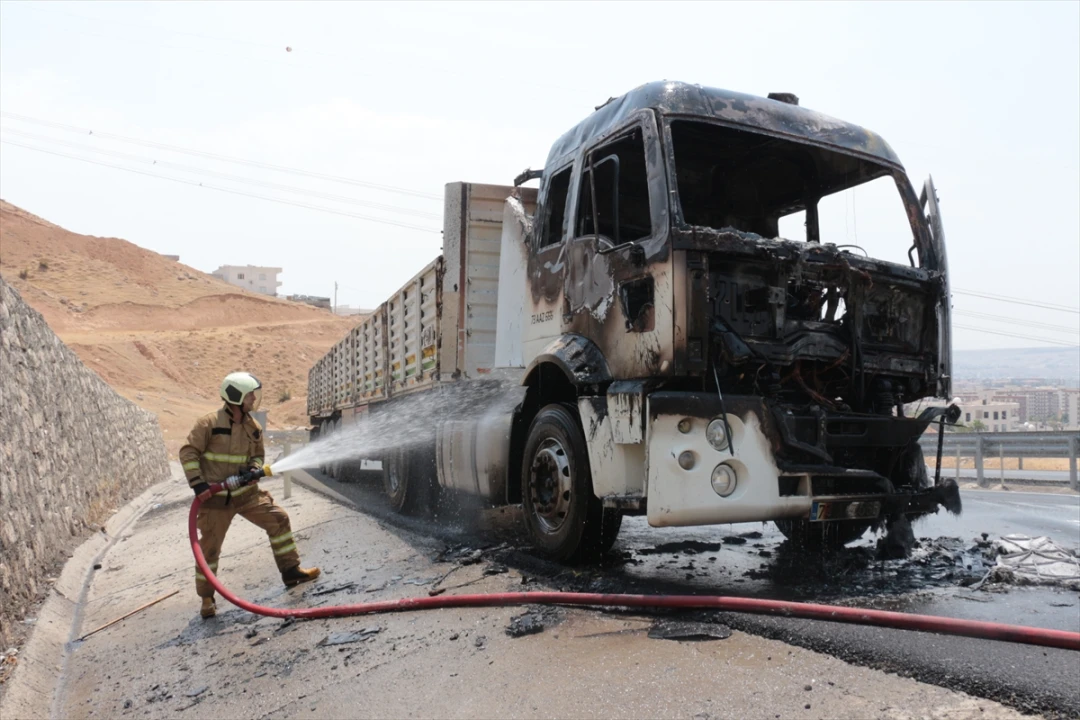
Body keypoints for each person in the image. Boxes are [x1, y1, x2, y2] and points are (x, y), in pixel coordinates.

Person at [179, 372, 320, 619]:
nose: (254, 398)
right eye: (250, 394)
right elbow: (188, 453)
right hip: (215, 502)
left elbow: (258, 454)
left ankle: (291, 572)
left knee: (279, 520)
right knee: (209, 550)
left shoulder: (252, 426)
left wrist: (254, 467)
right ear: (236, 396)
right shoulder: (208, 424)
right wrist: (199, 486)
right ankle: (206, 599)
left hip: (246, 496)